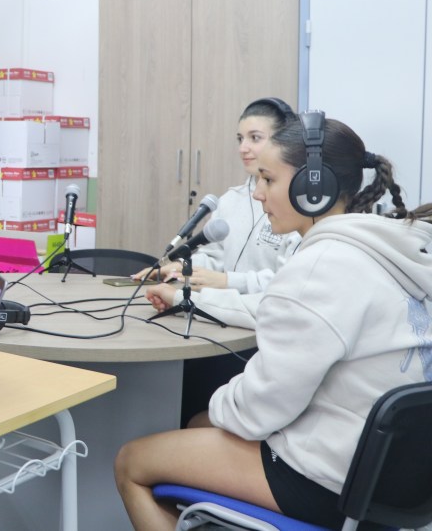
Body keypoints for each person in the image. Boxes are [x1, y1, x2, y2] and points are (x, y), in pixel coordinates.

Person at [114, 111, 432, 530]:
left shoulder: (319, 266)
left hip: (327, 480)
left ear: (313, 188)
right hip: (396, 481)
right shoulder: (388, 251)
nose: (258, 194)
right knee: (199, 426)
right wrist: (190, 298)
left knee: (132, 461)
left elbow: (257, 411)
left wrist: (217, 403)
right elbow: (271, 309)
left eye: (267, 179)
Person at [134, 97, 301, 328]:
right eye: (240, 139)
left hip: (261, 323)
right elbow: (216, 256)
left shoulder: (295, 208)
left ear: (284, 142)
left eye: (255, 138)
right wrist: (183, 268)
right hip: (218, 318)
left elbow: (288, 286)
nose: (243, 148)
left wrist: (227, 281)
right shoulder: (230, 200)